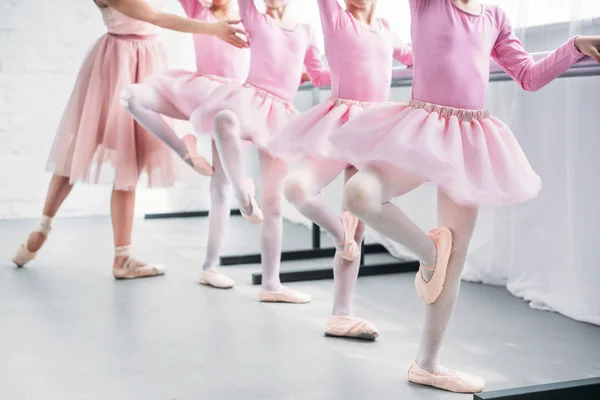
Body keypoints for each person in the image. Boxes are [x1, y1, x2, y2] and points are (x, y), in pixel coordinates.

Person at [332, 0, 600, 393]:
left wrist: (575, 45)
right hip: (419, 128)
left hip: (467, 139)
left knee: (455, 256)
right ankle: (428, 254)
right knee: (358, 194)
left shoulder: (494, 16)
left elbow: (527, 75)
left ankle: (428, 363)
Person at [12, 0, 247, 280]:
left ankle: (120, 257)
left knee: (130, 156)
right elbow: (157, 16)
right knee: (85, 148)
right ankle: (43, 228)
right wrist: (212, 29)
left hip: (147, 58)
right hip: (118, 62)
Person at [267, 0, 412, 339]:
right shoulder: (335, 18)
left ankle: (341, 312)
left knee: (357, 221)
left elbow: (420, 57)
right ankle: (339, 233)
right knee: (297, 188)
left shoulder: (387, 29)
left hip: (373, 129)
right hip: (336, 123)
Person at [190, 0, 331, 303]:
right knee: (224, 120)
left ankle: (271, 284)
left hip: (280, 114)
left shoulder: (305, 31)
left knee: (273, 202)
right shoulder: (254, 17)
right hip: (250, 99)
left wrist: (363, 77)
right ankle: (243, 196)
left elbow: (320, 75)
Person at [121, 0, 248, 288]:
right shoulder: (198, 10)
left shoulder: (248, 15)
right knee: (131, 97)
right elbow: (160, 15)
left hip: (229, 102)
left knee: (221, 185)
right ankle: (185, 153)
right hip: (196, 92)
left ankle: (210, 266)